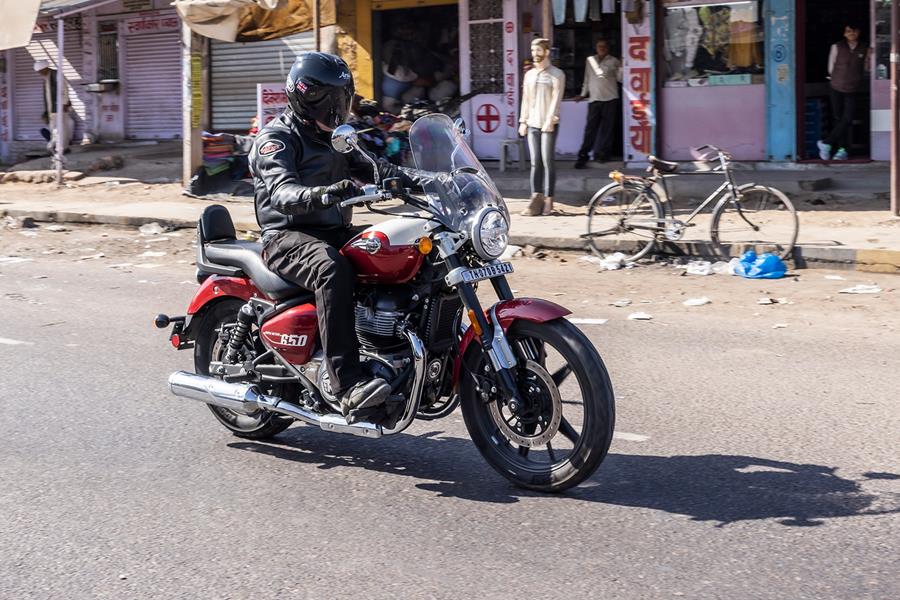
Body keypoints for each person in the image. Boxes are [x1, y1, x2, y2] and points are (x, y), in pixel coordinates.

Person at [250, 52, 424, 417]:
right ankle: (345, 383)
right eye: (327, 100)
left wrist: (434, 181)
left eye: (342, 99)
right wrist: (321, 193)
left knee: (403, 245)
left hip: (333, 230)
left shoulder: (338, 138)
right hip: (286, 237)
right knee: (332, 269)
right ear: (304, 97)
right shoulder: (276, 138)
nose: (337, 108)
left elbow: (380, 169)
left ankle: (402, 352)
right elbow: (281, 192)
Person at [518, 38, 565, 216]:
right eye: (532, 50)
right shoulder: (529, 75)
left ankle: (549, 200)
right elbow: (526, 99)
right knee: (535, 162)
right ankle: (535, 199)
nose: (534, 54)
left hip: (548, 123)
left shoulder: (557, 74)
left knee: (547, 161)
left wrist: (550, 120)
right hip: (532, 123)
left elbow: (556, 99)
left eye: (538, 50)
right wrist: (523, 121)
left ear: (546, 52)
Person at [817, 24, 870, 161]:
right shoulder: (836, 46)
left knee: (848, 118)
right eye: (848, 31)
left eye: (854, 30)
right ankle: (842, 150)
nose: (851, 33)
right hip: (836, 87)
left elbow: (867, 67)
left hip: (853, 88)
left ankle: (827, 143)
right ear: (844, 33)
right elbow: (831, 67)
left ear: (859, 32)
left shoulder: (865, 48)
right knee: (838, 119)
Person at [573, 39, 622, 168]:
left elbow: (620, 79)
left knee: (607, 130)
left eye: (604, 46)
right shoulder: (590, 60)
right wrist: (583, 94)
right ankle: (583, 156)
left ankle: (603, 155)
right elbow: (587, 79)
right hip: (594, 99)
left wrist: (621, 67)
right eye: (599, 46)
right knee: (590, 130)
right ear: (596, 47)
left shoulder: (614, 61)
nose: (602, 48)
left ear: (608, 48)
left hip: (610, 98)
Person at [34, 60, 73, 155]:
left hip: (60, 107)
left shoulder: (56, 75)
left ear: (45, 68)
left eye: (40, 71)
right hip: (52, 109)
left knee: (62, 128)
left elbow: (64, 89)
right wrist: (46, 111)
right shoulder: (47, 78)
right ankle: (58, 147)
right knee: (54, 130)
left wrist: (64, 103)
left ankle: (63, 148)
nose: (40, 73)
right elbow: (48, 96)